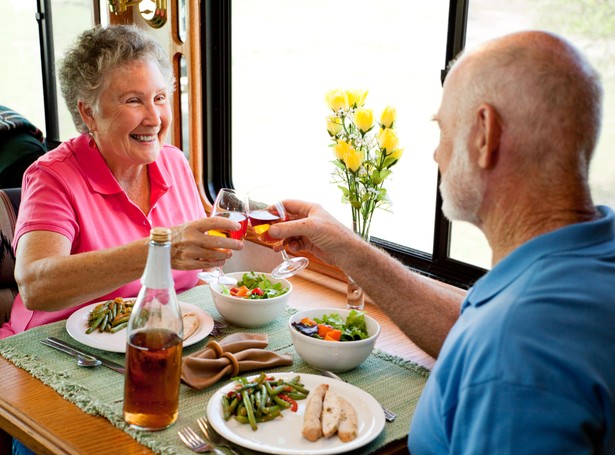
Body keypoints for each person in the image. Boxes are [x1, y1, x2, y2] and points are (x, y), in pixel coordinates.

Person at [269, 31, 615, 453]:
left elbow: (501, 348)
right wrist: (349, 249)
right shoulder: (583, 260)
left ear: (484, 134)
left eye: (444, 129)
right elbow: (469, 329)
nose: (437, 155)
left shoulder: (516, 349)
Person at [0, 24, 243, 339]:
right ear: (89, 113)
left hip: (153, 337)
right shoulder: (52, 177)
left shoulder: (174, 162)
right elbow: (35, 286)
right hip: (56, 349)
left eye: (159, 97)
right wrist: (161, 250)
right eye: (133, 101)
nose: (154, 118)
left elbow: (197, 269)